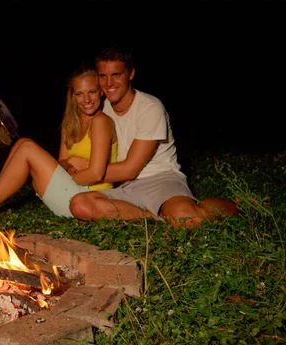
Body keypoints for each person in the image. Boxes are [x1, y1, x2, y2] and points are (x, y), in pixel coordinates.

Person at [69, 46, 239, 228]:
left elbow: (129, 169)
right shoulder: (100, 109)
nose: (109, 83)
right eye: (103, 76)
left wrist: (85, 170)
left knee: (187, 218)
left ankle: (237, 205)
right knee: (80, 205)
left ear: (131, 74)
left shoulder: (150, 107)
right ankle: (152, 217)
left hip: (162, 180)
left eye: (116, 75)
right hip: (126, 188)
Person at [0, 65, 118, 218]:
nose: (86, 99)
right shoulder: (69, 124)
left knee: (27, 147)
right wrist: (71, 163)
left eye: (92, 92)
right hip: (71, 191)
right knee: (21, 143)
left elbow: (96, 174)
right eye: (80, 94)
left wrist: (64, 177)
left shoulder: (101, 121)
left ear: (101, 92)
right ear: (73, 96)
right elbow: (62, 161)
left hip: (87, 198)